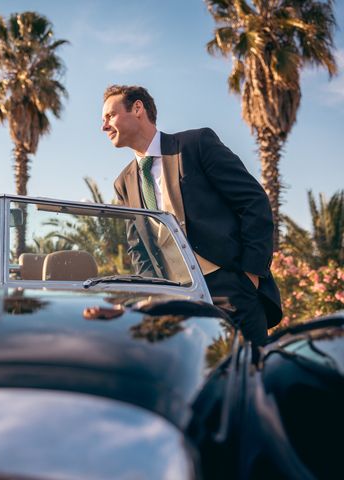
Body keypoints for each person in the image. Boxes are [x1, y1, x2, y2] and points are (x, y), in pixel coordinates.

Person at [101, 85, 282, 345]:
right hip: (174, 301)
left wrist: (249, 275)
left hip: (231, 288)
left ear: (138, 108)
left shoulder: (195, 145)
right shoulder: (123, 182)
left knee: (249, 372)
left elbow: (253, 202)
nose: (104, 126)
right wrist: (155, 293)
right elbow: (138, 247)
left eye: (110, 116)